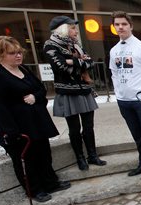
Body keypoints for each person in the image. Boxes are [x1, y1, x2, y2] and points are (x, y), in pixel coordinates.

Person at [0, 36, 70, 203]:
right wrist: (11, 130)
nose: (18, 56)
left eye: (19, 52)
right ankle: (34, 190)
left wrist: (34, 97)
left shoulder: (23, 69)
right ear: (0, 54)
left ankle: (50, 182)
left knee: (44, 153)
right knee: (26, 159)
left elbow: (40, 89)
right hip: (16, 126)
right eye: (12, 53)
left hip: (36, 121)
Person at [44, 16, 107, 171]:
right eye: (72, 28)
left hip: (84, 90)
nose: (75, 31)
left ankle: (92, 155)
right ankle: (80, 158)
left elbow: (90, 63)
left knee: (88, 126)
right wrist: (78, 62)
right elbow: (61, 68)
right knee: (74, 128)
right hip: (68, 92)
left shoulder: (76, 44)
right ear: (63, 29)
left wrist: (72, 61)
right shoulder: (50, 46)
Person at [109, 11, 141, 177]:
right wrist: (118, 94)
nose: (120, 27)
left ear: (130, 26)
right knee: (137, 135)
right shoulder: (114, 50)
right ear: (114, 27)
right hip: (124, 100)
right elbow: (114, 73)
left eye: (124, 24)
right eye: (117, 24)